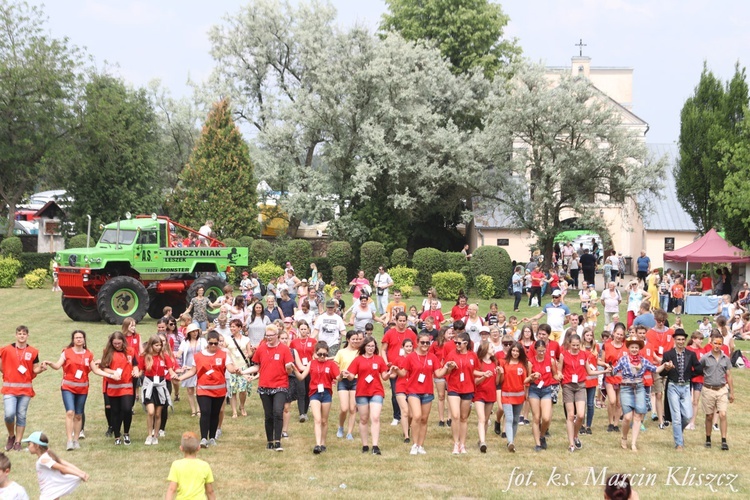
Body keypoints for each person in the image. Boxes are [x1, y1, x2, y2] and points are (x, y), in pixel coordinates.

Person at [43, 330, 112, 451]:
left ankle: (76, 440)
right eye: (76, 338)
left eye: (81, 337)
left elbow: (96, 370)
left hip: (82, 388)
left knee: (79, 415)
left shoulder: (88, 354)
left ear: (84, 340)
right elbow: (58, 365)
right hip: (68, 387)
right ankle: (69, 440)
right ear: (73, 340)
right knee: (70, 412)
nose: (79, 339)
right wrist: (50, 363)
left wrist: (111, 376)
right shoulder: (67, 352)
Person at [178, 330, 240, 448]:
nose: (213, 346)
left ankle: (212, 437)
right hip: (203, 390)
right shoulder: (198, 356)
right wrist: (180, 378)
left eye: (215, 344)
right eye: (211, 343)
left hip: (219, 390)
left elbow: (230, 368)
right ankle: (203, 438)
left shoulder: (223, 355)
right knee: (205, 412)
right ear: (207, 343)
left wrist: (235, 370)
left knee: (215, 414)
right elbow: (192, 371)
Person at [611, 335, 668, 451]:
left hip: (639, 388)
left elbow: (655, 369)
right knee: (627, 417)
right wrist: (610, 369)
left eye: (636, 347)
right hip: (626, 388)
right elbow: (614, 371)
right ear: (628, 348)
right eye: (632, 347)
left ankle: (633, 443)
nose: (634, 350)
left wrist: (664, 365)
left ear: (639, 348)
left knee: (637, 416)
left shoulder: (643, 361)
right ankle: (624, 437)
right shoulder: (623, 359)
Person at [394, 332, 448, 455]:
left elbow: (438, 373)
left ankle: (420, 445)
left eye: (427, 343)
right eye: (422, 342)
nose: (425, 345)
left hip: (427, 391)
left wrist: (447, 367)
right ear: (417, 343)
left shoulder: (432, 357)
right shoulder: (411, 357)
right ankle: (414, 444)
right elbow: (403, 373)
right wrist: (397, 370)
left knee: (424, 419)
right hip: (413, 391)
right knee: (416, 416)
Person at [242, 325, 295, 451]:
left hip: (280, 385)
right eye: (267, 335)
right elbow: (257, 367)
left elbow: (289, 370)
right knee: (269, 415)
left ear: (277, 335)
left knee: (278, 411)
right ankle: (270, 441)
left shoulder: (284, 349)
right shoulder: (261, 349)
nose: (269, 338)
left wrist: (288, 367)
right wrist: (244, 372)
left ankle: (278, 441)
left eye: (271, 335)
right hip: (264, 386)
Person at [341, 336, 396, 455]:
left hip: (376, 391)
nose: (370, 348)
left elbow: (384, 377)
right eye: (368, 346)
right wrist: (346, 373)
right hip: (362, 392)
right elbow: (351, 376)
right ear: (364, 347)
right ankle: (365, 444)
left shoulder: (379, 359)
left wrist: (390, 372)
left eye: (372, 346)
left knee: (375, 417)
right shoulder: (358, 360)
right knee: (363, 419)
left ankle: (375, 445)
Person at [558, 333, 611, 452]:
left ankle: (575, 435)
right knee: (571, 415)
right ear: (569, 344)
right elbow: (559, 371)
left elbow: (590, 372)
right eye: (573, 345)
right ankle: (571, 443)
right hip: (568, 386)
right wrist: (558, 376)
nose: (575, 347)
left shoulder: (583, 355)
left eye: (577, 345)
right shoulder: (564, 355)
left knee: (581, 415)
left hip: (581, 385)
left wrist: (604, 372)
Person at [0, 326, 47, 452]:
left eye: (24, 334)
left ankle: (17, 442)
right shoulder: (6, 350)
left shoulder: (33, 351)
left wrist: (41, 369)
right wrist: (6, 373)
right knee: (9, 415)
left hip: (25, 390)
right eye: (19, 333)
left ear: (27, 336)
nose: (21, 336)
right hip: (9, 389)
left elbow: (34, 369)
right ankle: (11, 436)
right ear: (16, 335)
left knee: (21, 415)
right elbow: (1, 364)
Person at [662, 328, 703, 451]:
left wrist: (690, 376)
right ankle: (679, 443)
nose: (680, 341)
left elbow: (699, 369)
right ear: (674, 340)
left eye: (682, 339)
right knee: (676, 417)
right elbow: (661, 372)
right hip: (673, 386)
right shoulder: (668, 354)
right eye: (678, 339)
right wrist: (667, 368)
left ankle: (678, 432)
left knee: (688, 415)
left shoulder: (691, 354)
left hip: (685, 386)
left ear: (685, 340)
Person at [443, 332, 482, 454]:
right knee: (455, 415)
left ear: (466, 343)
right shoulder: (452, 354)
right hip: (454, 387)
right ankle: (455, 443)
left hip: (468, 388)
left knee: (464, 418)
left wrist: (485, 375)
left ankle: (462, 444)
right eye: (455, 343)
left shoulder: (472, 356)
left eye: (459, 343)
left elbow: (476, 370)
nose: (457, 345)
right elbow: (446, 371)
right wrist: (450, 367)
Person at [24, 432, 88, 499]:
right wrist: (81, 472)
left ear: (37, 446)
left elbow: (63, 468)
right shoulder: (46, 455)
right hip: (51, 492)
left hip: (49, 494)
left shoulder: (43, 460)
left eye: (29, 444)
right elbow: (64, 463)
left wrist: (80, 474)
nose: (28, 447)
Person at [381, 312, 418, 427]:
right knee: (395, 393)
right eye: (400, 320)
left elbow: (416, 349)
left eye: (404, 321)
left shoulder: (411, 334)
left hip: (408, 368)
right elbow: (383, 350)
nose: (402, 323)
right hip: (394, 367)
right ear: (396, 321)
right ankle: (396, 416)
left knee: (409, 392)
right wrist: (386, 363)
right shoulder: (389, 333)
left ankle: (407, 413)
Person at [700, 333, 735, 451]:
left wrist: (732, 392)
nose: (717, 346)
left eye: (720, 344)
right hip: (708, 389)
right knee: (709, 416)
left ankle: (724, 440)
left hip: (722, 389)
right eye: (715, 343)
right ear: (711, 343)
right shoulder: (705, 358)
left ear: (722, 345)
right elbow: (699, 371)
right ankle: (708, 438)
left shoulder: (726, 359)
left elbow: (729, 376)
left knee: (723, 414)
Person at [497, 341, 532, 453]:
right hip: (506, 395)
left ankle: (511, 440)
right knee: (509, 418)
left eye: (517, 351)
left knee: (516, 419)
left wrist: (532, 378)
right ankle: (510, 441)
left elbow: (524, 380)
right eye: (513, 350)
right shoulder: (503, 363)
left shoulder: (523, 364)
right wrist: (500, 373)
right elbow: (499, 381)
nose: (515, 353)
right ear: (510, 351)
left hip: (519, 395)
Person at [645, 309, 674, 429]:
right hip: (656, 365)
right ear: (655, 320)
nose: (661, 323)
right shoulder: (650, 333)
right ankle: (660, 420)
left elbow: (673, 348)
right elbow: (650, 349)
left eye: (663, 321)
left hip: (669, 365)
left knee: (669, 392)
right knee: (658, 393)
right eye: (659, 321)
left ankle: (667, 415)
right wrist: (659, 360)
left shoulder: (671, 332)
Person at [166, 431, 215, 500]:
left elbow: (172, 489)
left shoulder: (176, 465)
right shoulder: (204, 465)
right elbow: (210, 491)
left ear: (181, 448)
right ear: (198, 448)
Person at [528, 340, 558, 451]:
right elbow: (527, 378)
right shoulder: (530, 362)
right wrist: (533, 377)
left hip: (546, 389)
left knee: (546, 418)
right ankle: (537, 444)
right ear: (535, 350)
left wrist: (559, 376)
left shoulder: (551, 360)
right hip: (534, 390)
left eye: (543, 351)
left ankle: (542, 435)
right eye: (539, 351)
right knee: (536, 417)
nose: (541, 353)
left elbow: (555, 374)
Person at [334, 331, 362, 440]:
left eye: (357, 339)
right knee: (344, 408)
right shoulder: (341, 352)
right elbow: (335, 365)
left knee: (352, 408)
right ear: (348, 339)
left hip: (356, 381)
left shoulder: (360, 352)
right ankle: (341, 427)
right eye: (353, 339)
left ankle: (349, 432)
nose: (355, 341)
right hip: (343, 381)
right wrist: (340, 373)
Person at [223, 320, 251, 419]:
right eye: (231, 326)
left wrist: (249, 354)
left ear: (239, 328)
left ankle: (242, 406)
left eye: (234, 326)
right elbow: (222, 350)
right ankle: (234, 411)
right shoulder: (227, 339)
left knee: (243, 390)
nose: (232, 328)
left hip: (243, 367)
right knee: (232, 391)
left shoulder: (246, 339)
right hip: (231, 367)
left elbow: (249, 352)